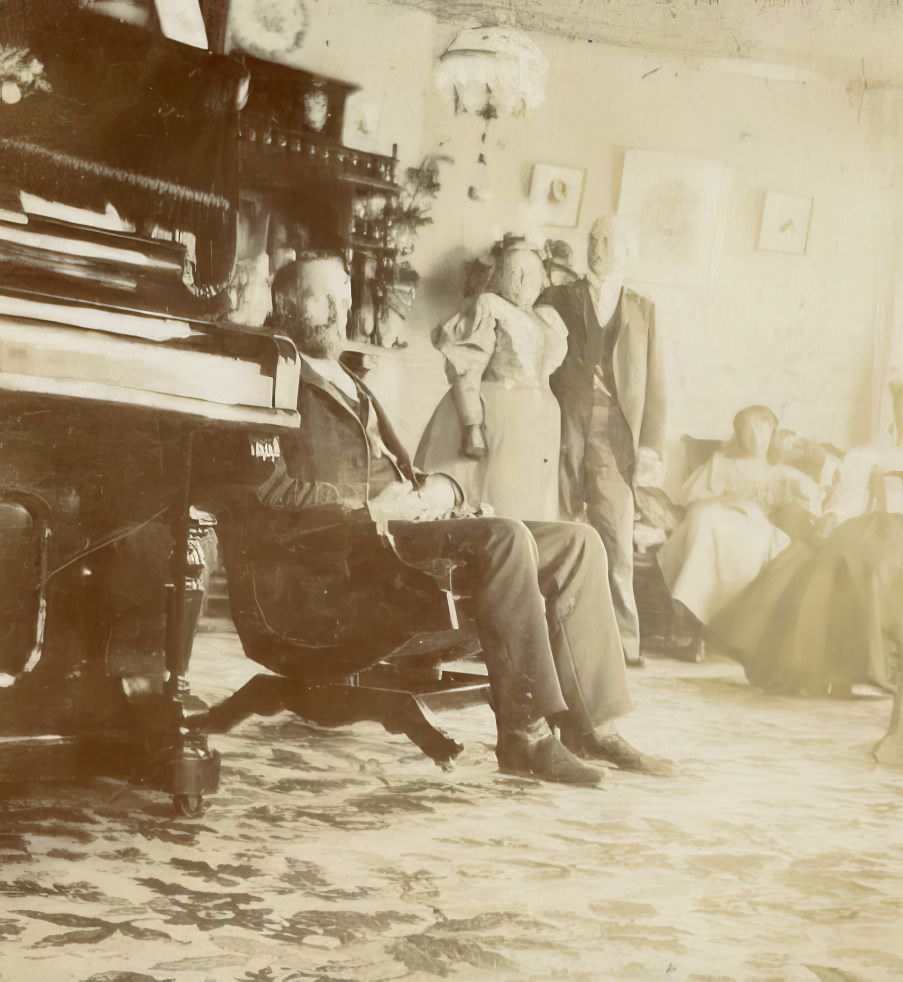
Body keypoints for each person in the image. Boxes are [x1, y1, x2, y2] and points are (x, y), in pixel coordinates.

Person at [259, 251, 670, 785]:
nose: (339, 309)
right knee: (506, 539)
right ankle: (524, 736)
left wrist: (443, 488)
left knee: (579, 542)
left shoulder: (349, 379)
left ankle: (592, 726)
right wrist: (370, 509)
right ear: (287, 304)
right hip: (351, 551)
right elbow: (272, 492)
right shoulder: (273, 379)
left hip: (403, 527)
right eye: (322, 297)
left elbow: (399, 469)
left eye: (343, 293)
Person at [540, 215, 666, 667]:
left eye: (609, 241)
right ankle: (553, 639)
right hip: (564, 424)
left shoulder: (643, 309)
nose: (598, 248)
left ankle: (623, 644)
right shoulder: (558, 297)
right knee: (562, 525)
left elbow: (655, 383)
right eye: (594, 240)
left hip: (615, 433)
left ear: (627, 250)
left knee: (615, 537)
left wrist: (651, 446)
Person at [708, 449, 903, 696]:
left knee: (844, 564)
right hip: (863, 525)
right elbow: (847, 497)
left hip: (890, 528)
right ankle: (824, 670)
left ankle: (844, 670)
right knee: (809, 565)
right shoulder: (861, 459)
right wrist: (832, 516)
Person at [416, 239, 567, 521]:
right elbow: (468, 366)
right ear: (500, 276)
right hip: (501, 418)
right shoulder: (490, 307)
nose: (522, 281)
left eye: (530, 273)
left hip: (538, 427)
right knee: (499, 501)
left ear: (542, 278)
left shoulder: (547, 319)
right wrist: (472, 424)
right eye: (514, 272)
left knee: (532, 504)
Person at [657, 406, 821, 656]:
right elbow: (695, 498)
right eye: (744, 429)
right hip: (717, 518)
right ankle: (696, 629)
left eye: (756, 429)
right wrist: (723, 500)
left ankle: (703, 632)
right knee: (703, 518)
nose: (749, 435)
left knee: (719, 532)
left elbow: (810, 498)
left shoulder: (777, 470)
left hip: (754, 525)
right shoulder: (721, 462)